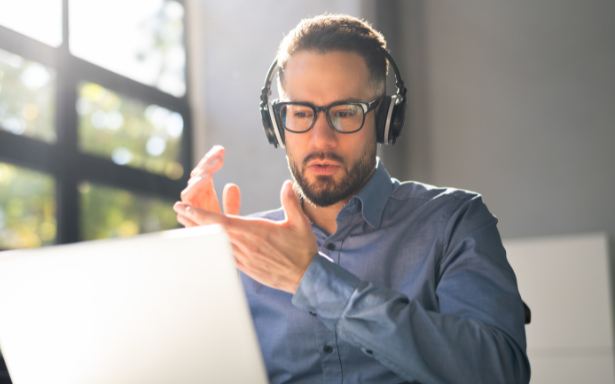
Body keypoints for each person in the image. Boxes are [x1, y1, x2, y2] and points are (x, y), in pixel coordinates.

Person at [173, 14, 530, 384]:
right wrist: (204, 272)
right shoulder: (247, 250)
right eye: (300, 113)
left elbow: (500, 372)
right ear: (276, 124)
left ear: (385, 118)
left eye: (345, 113)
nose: (321, 139)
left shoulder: (454, 222)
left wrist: (310, 279)